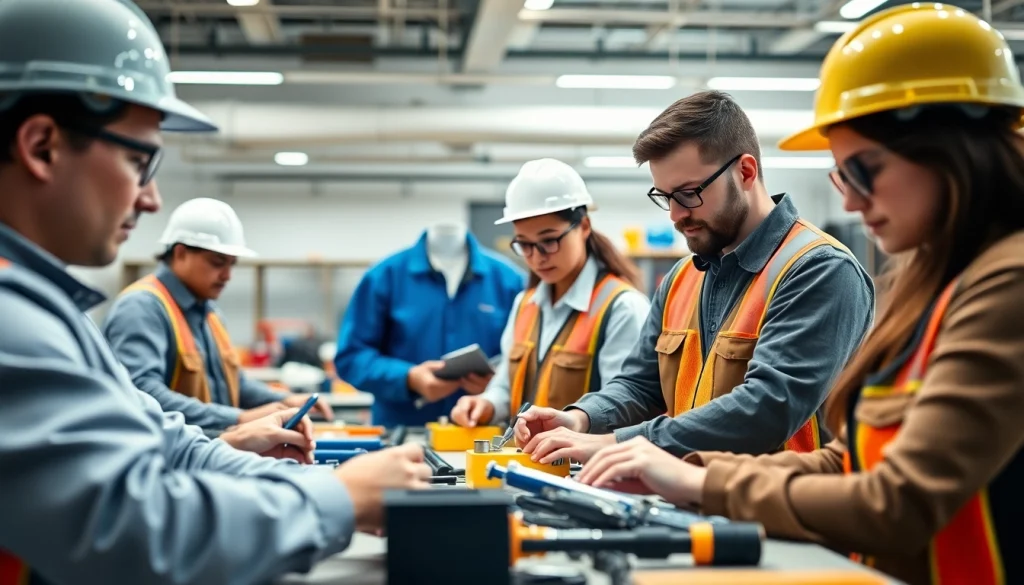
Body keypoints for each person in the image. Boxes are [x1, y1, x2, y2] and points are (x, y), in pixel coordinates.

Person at [577, 5, 1024, 585]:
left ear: (949, 147)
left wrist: (694, 478)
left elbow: (897, 501)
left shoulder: (1006, 284)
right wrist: (685, 470)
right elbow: (854, 459)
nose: (851, 202)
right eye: (841, 176)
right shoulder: (940, 284)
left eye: (862, 171)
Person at [0, 1, 429, 584]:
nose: (151, 199)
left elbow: (164, 438)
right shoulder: (13, 321)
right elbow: (134, 529)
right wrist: (339, 499)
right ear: (41, 146)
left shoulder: (51, 308)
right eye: (138, 161)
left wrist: (320, 481)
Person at [513, 90, 876, 464]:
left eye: (688, 194)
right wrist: (581, 418)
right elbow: (640, 385)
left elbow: (767, 409)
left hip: (785, 498)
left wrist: (619, 443)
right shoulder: (681, 278)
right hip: (691, 494)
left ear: (745, 172)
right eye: (665, 197)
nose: (675, 215)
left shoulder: (819, 270)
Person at [103, 197, 333, 432]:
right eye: (217, 263)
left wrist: (284, 401)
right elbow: (142, 393)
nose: (227, 275)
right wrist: (238, 419)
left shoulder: (210, 314)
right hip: (166, 450)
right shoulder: (142, 308)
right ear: (181, 253)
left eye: (232, 264)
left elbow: (233, 384)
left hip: (208, 447)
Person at [450, 159, 650, 428]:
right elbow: (506, 385)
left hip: (588, 455)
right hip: (525, 453)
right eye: (524, 244)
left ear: (584, 227)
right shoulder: (525, 304)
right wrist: (487, 404)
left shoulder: (622, 308)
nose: (537, 257)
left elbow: (625, 405)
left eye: (549, 240)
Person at [334, 220, 525, 427]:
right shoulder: (384, 277)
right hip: (401, 432)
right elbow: (351, 357)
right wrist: (408, 377)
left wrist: (499, 384)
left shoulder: (509, 281)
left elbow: (528, 358)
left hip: (482, 431)